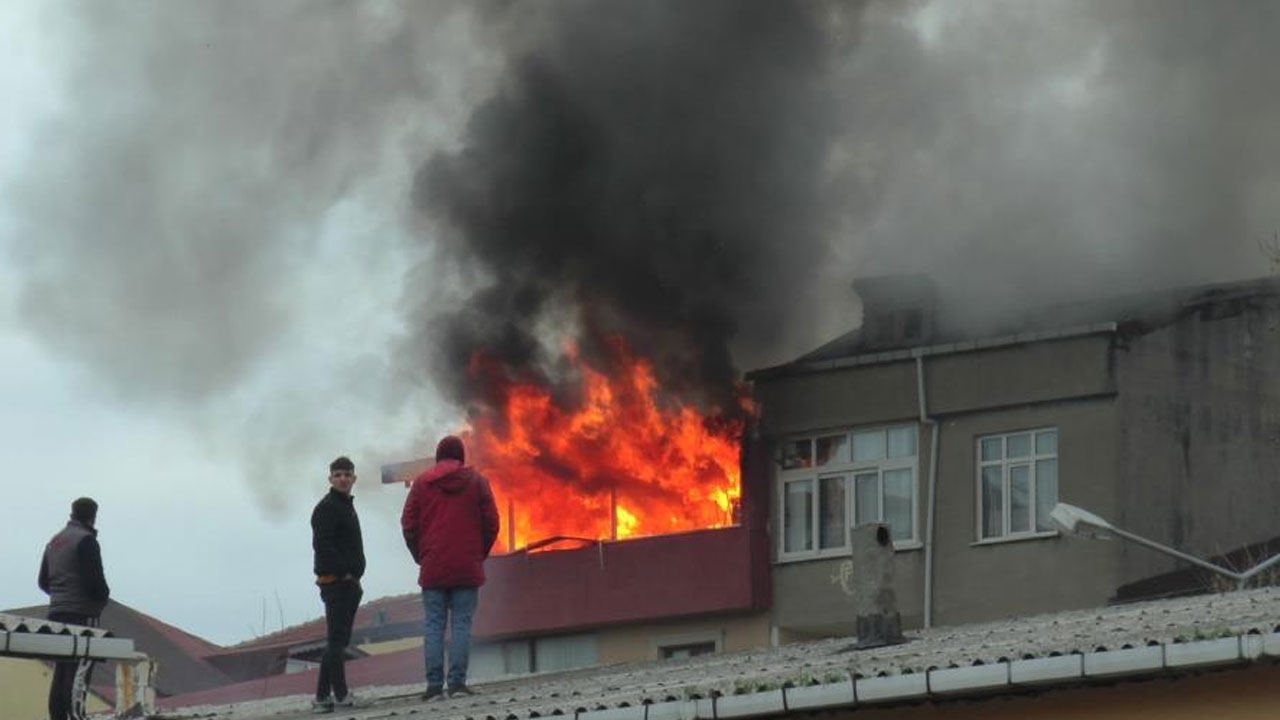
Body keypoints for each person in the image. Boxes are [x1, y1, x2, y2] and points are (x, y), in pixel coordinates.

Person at [401, 436, 499, 701]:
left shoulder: (422, 484)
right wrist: (478, 554)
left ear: (437, 457)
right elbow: (492, 524)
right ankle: (457, 684)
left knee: (433, 625)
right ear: (462, 457)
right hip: (466, 567)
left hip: (433, 566)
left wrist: (421, 555)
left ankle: (434, 687)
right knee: (461, 625)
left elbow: (408, 524)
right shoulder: (477, 482)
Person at [39, 497, 110, 720]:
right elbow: (94, 584)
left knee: (62, 668)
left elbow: (43, 581)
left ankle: (57, 716)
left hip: (57, 613)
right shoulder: (86, 540)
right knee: (79, 668)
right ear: (93, 516)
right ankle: (73, 715)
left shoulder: (55, 541)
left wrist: (60, 596)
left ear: (72, 513)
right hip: (82, 615)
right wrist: (102, 597)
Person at [310, 456, 366, 713]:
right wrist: (344, 573)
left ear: (354, 478)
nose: (343, 478)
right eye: (338, 474)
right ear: (330, 478)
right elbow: (323, 544)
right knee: (336, 641)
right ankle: (341, 695)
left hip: (348, 583)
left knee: (337, 640)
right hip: (335, 583)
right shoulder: (327, 508)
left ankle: (322, 696)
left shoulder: (345, 506)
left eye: (347, 474)